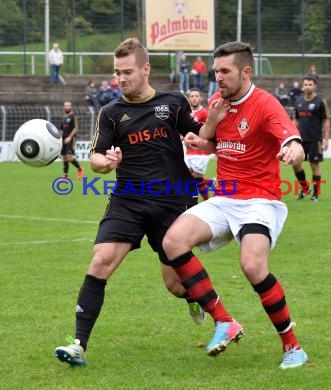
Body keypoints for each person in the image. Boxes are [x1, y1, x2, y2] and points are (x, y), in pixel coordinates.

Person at [54, 38, 209, 367]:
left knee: (175, 286)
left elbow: (201, 135)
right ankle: (78, 344)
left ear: (145, 69)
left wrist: (200, 135)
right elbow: (95, 157)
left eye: (127, 72)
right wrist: (105, 163)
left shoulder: (173, 102)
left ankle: (193, 297)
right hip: (129, 200)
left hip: (172, 201)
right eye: (116, 73)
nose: (120, 79)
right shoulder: (111, 114)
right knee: (101, 260)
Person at [162, 41, 309, 370]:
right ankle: (224, 320)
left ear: (246, 71)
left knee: (253, 266)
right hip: (225, 196)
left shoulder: (266, 105)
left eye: (224, 72)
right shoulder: (217, 101)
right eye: (215, 72)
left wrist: (293, 153)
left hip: (260, 200)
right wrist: (203, 140)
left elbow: (293, 142)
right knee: (172, 240)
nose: (218, 78)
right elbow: (216, 141)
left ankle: (292, 346)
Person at [292, 74, 331, 202]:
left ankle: (316, 194)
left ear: (314, 86)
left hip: (315, 139)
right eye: (305, 84)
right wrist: (291, 137)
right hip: (300, 139)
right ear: (303, 86)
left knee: (314, 165)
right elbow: (296, 120)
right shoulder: (298, 102)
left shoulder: (320, 102)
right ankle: (305, 188)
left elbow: (326, 121)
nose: (307, 87)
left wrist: (326, 139)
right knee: (296, 164)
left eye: (310, 84)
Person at [185, 88, 213, 201]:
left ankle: (200, 199)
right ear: (189, 98)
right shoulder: (187, 114)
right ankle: (205, 198)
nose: (194, 98)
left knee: (194, 178)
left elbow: (210, 130)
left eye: (196, 96)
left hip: (200, 152)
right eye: (192, 96)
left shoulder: (205, 113)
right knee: (190, 178)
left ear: (200, 98)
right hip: (188, 151)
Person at [59, 101, 84, 179]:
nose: (67, 107)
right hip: (63, 139)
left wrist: (69, 137)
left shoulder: (73, 117)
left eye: (68, 106)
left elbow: (75, 128)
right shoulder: (63, 118)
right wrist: (60, 138)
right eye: (65, 106)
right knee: (64, 157)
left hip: (71, 139)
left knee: (69, 157)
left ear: (71, 107)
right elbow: (61, 129)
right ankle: (66, 175)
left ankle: (80, 169)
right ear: (64, 107)